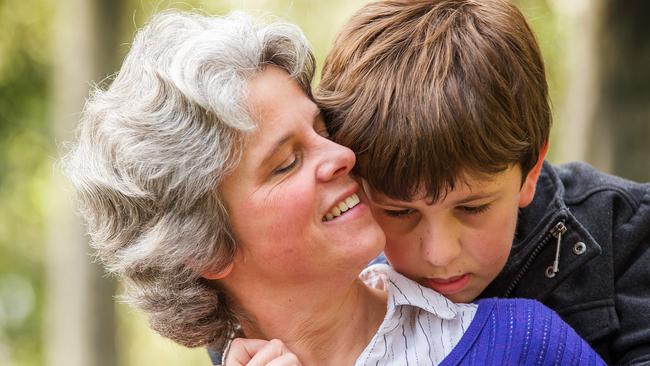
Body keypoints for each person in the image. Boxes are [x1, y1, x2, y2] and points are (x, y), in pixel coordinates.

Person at [62, 8, 605, 366]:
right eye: (286, 162)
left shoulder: (521, 341)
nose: (343, 156)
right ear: (206, 248)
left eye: (320, 130)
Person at [313, 0, 650, 364]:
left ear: (530, 170)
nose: (439, 255)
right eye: (399, 212)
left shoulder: (629, 236)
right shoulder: (353, 280)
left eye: (472, 208)